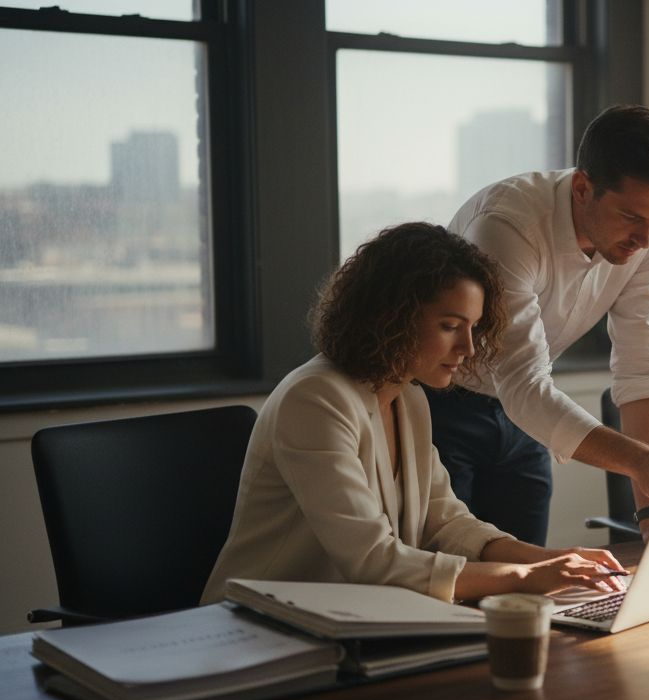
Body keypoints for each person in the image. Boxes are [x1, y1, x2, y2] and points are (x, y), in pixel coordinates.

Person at [201, 222, 623, 605]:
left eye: (473, 328)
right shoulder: (314, 399)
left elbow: (447, 522)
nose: (468, 349)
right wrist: (524, 576)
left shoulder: (409, 399)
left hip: (346, 621)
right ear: (392, 316)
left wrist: (553, 559)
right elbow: (374, 561)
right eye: (449, 326)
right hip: (256, 627)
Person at [428, 104, 649, 546]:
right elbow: (522, 381)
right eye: (632, 217)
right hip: (442, 405)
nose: (646, 239)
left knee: (528, 587)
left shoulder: (647, 236)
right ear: (582, 188)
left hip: (528, 419)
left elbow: (643, 365)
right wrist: (640, 462)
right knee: (450, 577)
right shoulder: (508, 226)